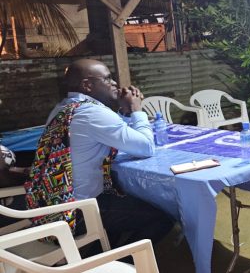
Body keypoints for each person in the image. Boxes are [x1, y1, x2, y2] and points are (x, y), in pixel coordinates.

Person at [23, 59, 173, 248]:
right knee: (162, 218)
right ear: (87, 85)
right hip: (77, 212)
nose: (115, 84)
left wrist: (124, 111)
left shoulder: (62, 108)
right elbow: (145, 147)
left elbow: (114, 131)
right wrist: (136, 110)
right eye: (108, 79)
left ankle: (101, 255)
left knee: (123, 205)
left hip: (50, 206)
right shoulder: (91, 113)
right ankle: (124, 262)